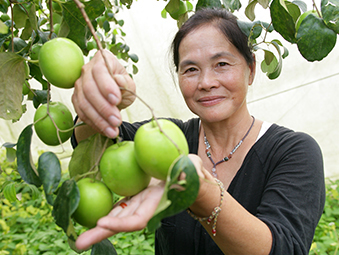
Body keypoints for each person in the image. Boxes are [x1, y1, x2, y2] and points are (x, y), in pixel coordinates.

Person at [71, 7, 325, 255]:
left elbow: (284, 249)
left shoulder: (293, 151)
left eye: (222, 64)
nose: (206, 83)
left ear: (251, 69)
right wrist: (99, 98)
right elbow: (95, 140)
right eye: (191, 69)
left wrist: (200, 192)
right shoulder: (169, 136)